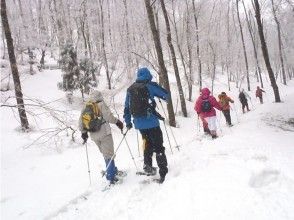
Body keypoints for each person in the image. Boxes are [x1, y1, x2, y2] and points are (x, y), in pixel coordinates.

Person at [123, 67, 169, 184]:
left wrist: (128, 122)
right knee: (158, 146)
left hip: (139, 124)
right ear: (148, 75)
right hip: (152, 122)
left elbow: (127, 108)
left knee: (147, 143)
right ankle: (163, 171)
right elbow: (166, 95)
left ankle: (148, 165)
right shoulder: (150, 86)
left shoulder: (130, 89)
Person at [79, 90, 124, 184]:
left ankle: (112, 171)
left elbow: (80, 122)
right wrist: (118, 122)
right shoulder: (101, 104)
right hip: (104, 133)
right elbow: (109, 117)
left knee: (105, 154)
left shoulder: (86, 106)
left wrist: (84, 133)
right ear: (100, 96)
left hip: (93, 135)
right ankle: (111, 177)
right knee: (109, 154)